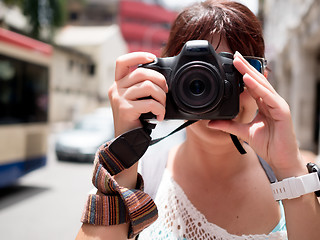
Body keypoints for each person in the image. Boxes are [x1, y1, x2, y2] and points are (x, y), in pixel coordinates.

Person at [76, 1, 320, 239]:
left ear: (263, 78)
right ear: (165, 80)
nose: (213, 92)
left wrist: (289, 172)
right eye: (196, 74)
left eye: (234, 73)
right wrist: (124, 156)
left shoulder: (298, 172)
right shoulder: (143, 171)